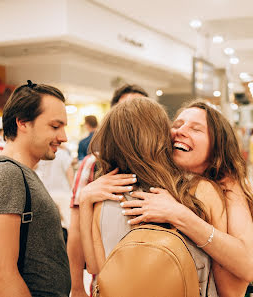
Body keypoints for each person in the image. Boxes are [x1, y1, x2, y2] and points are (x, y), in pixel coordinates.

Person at [79, 97, 244, 296]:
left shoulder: (103, 198)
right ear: (159, 137)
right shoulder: (198, 190)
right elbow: (224, 275)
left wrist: (85, 202)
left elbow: (95, 267)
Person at [119, 100, 253, 286]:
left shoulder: (229, 186)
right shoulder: (161, 183)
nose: (180, 131)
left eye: (196, 129)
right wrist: (87, 198)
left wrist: (178, 214)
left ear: (217, 146)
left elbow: (247, 268)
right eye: (177, 124)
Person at [0, 81, 71, 297]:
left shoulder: (20, 173)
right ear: (23, 122)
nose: (63, 137)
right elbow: (0, 277)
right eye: (55, 126)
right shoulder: (5, 175)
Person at [67, 84, 148, 297]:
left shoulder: (163, 167)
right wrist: (76, 287)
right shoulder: (93, 164)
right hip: (105, 284)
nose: (131, 118)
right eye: (125, 110)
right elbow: (75, 232)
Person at [35, 144, 74, 235]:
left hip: (47, 194)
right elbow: (70, 174)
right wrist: (73, 192)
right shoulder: (63, 154)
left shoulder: (41, 155)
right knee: (69, 225)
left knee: (50, 227)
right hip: (63, 193)